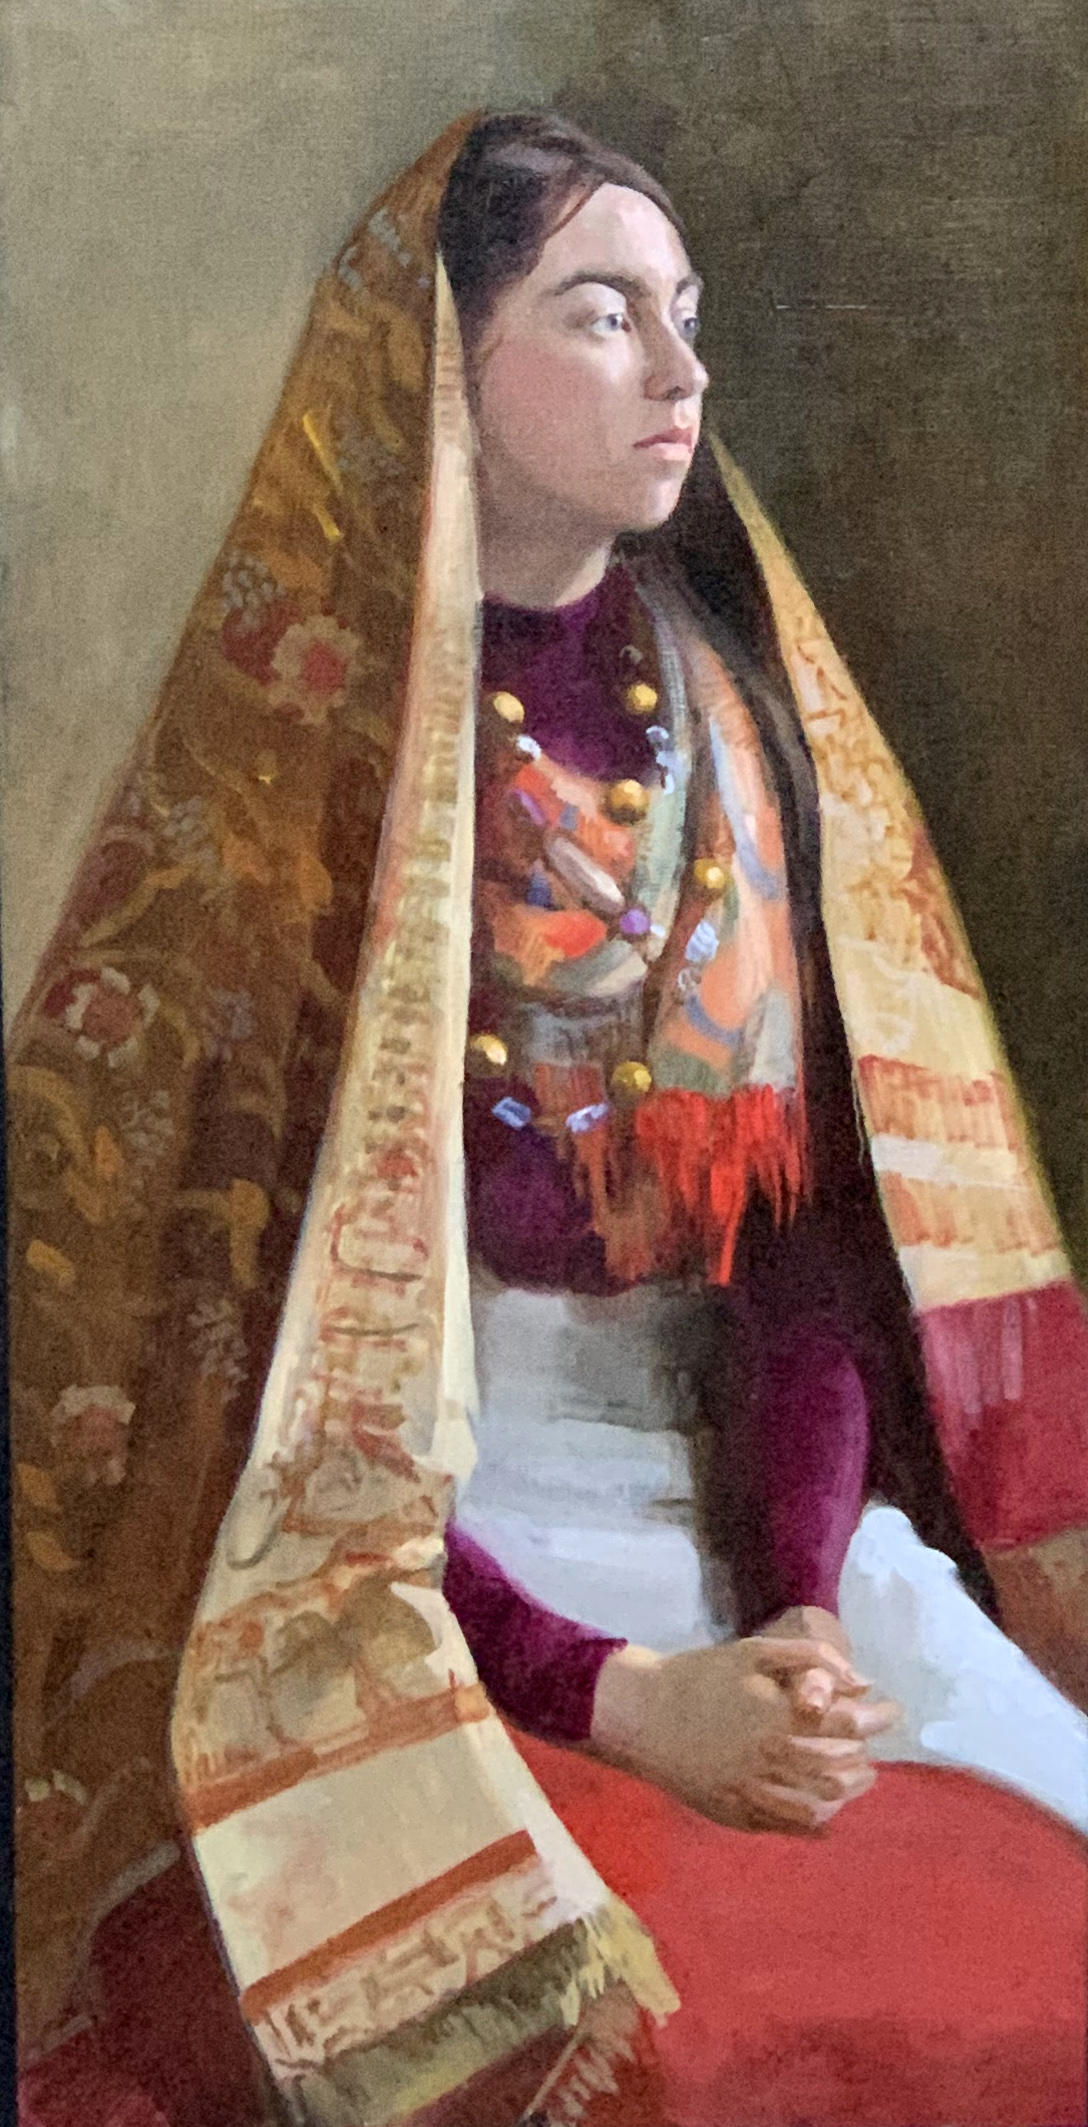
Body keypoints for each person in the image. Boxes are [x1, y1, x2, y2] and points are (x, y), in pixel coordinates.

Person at [10, 111, 1088, 2127]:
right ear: (447, 358)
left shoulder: (740, 729)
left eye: (687, 314)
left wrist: (791, 1609)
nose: (681, 372)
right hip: (393, 1569)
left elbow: (798, 1269)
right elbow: (247, 1396)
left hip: (749, 1526)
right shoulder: (315, 775)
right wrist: (626, 1696)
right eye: (601, 315)